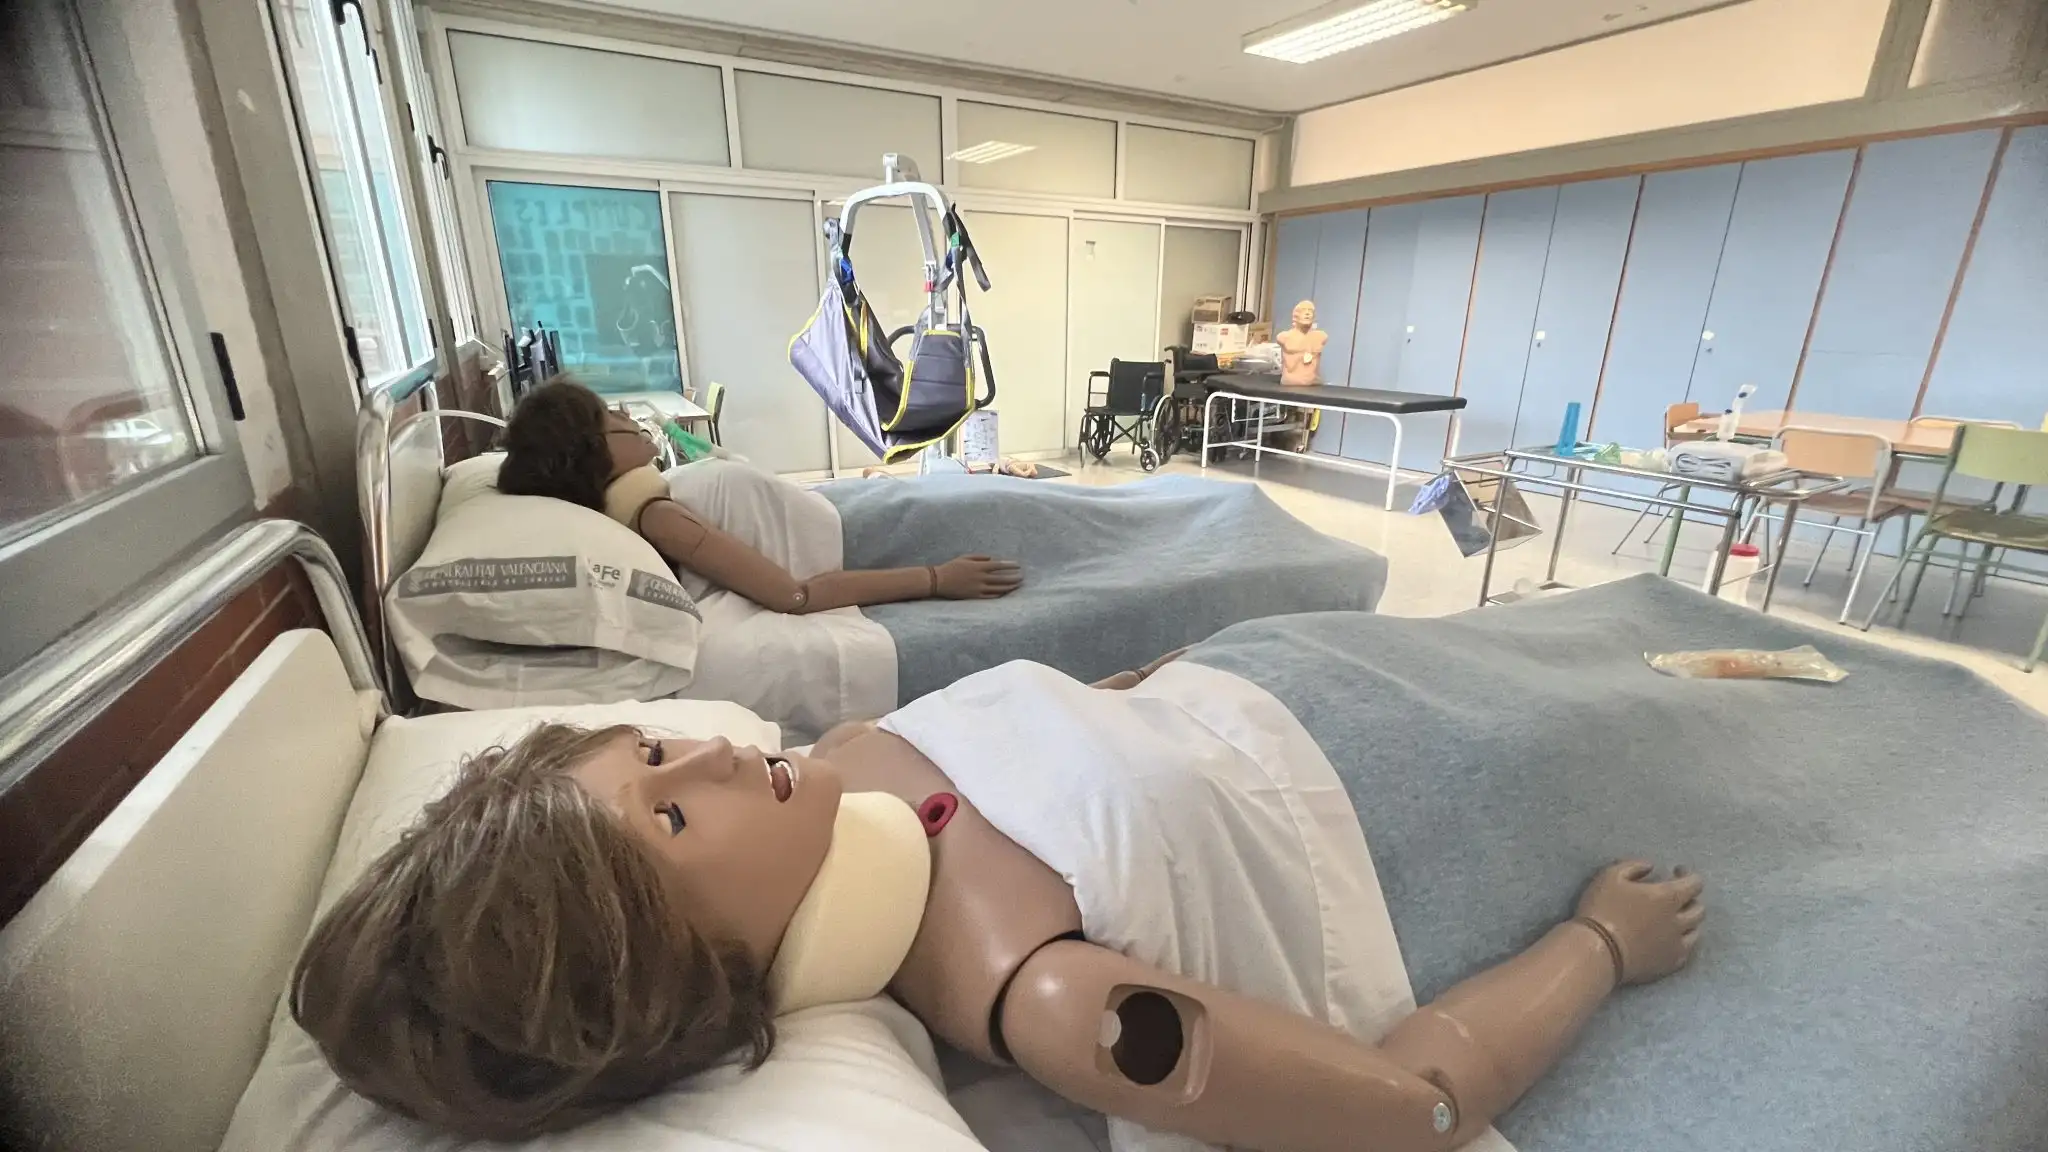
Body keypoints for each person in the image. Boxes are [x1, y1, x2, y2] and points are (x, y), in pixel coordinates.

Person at [291, 641, 1705, 1150]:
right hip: (1391, 772)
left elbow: (1059, 715)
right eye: (670, 814)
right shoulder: (1046, 995)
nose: (716, 756)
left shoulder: (834, 766)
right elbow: (1416, 1111)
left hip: (1286, 667)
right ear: (677, 967)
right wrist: (1595, 946)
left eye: (656, 750)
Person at [496, 378, 1023, 614]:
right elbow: (795, 596)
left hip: (856, 507)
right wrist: (936, 578)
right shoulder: (654, 515)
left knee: (1015, 498)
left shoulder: (645, 491)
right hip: (872, 531)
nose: (624, 416)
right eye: (607, 414)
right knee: (1020, 511)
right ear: (592, 448)